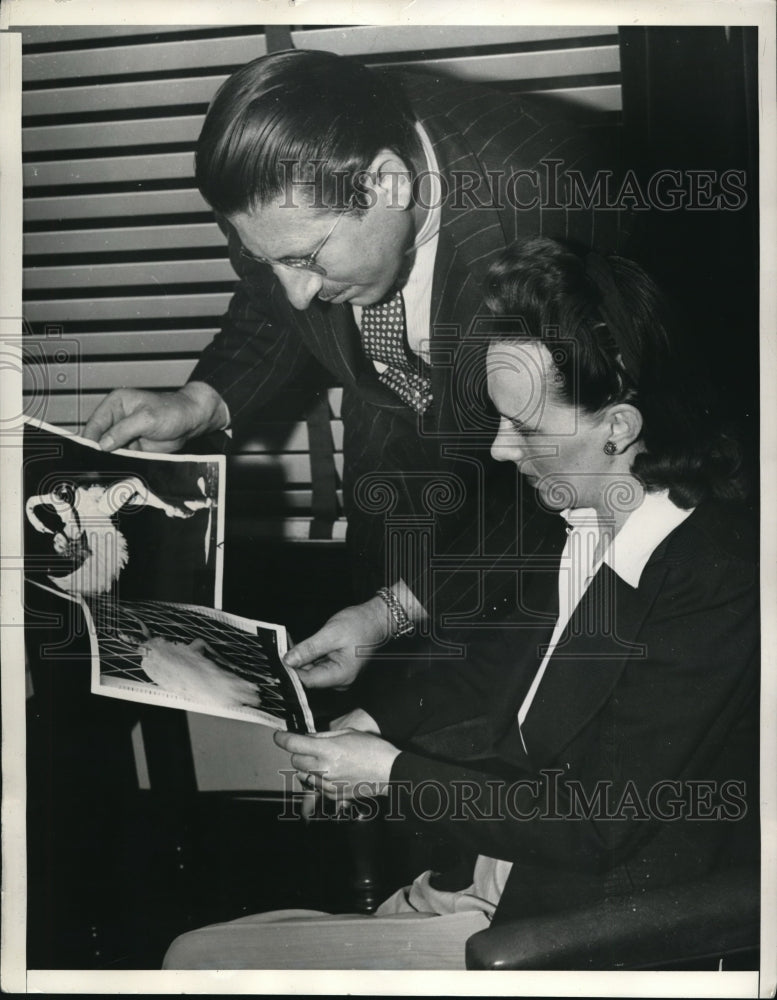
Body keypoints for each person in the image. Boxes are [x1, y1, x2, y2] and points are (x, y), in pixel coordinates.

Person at [161, 237, 759, 970]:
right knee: (194, 952)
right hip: (487, 879)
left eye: (525, 428)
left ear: (618, 428)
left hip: (567, 931)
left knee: (197, 965)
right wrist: (376, 723)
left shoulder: (716, 578)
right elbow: (492, 681)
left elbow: (599, 825)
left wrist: (386, 773)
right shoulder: (574, 519)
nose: (502, 451)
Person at [82, 49, 627, 690]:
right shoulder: (291, 188)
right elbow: (271, 308)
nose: (295, 292)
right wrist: (201, 399)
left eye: (307, 258)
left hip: (549, 507)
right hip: (391, 472)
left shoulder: (552, 200)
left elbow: (575, 470)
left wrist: (392, 611)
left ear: (390, 183)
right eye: (270, 260)